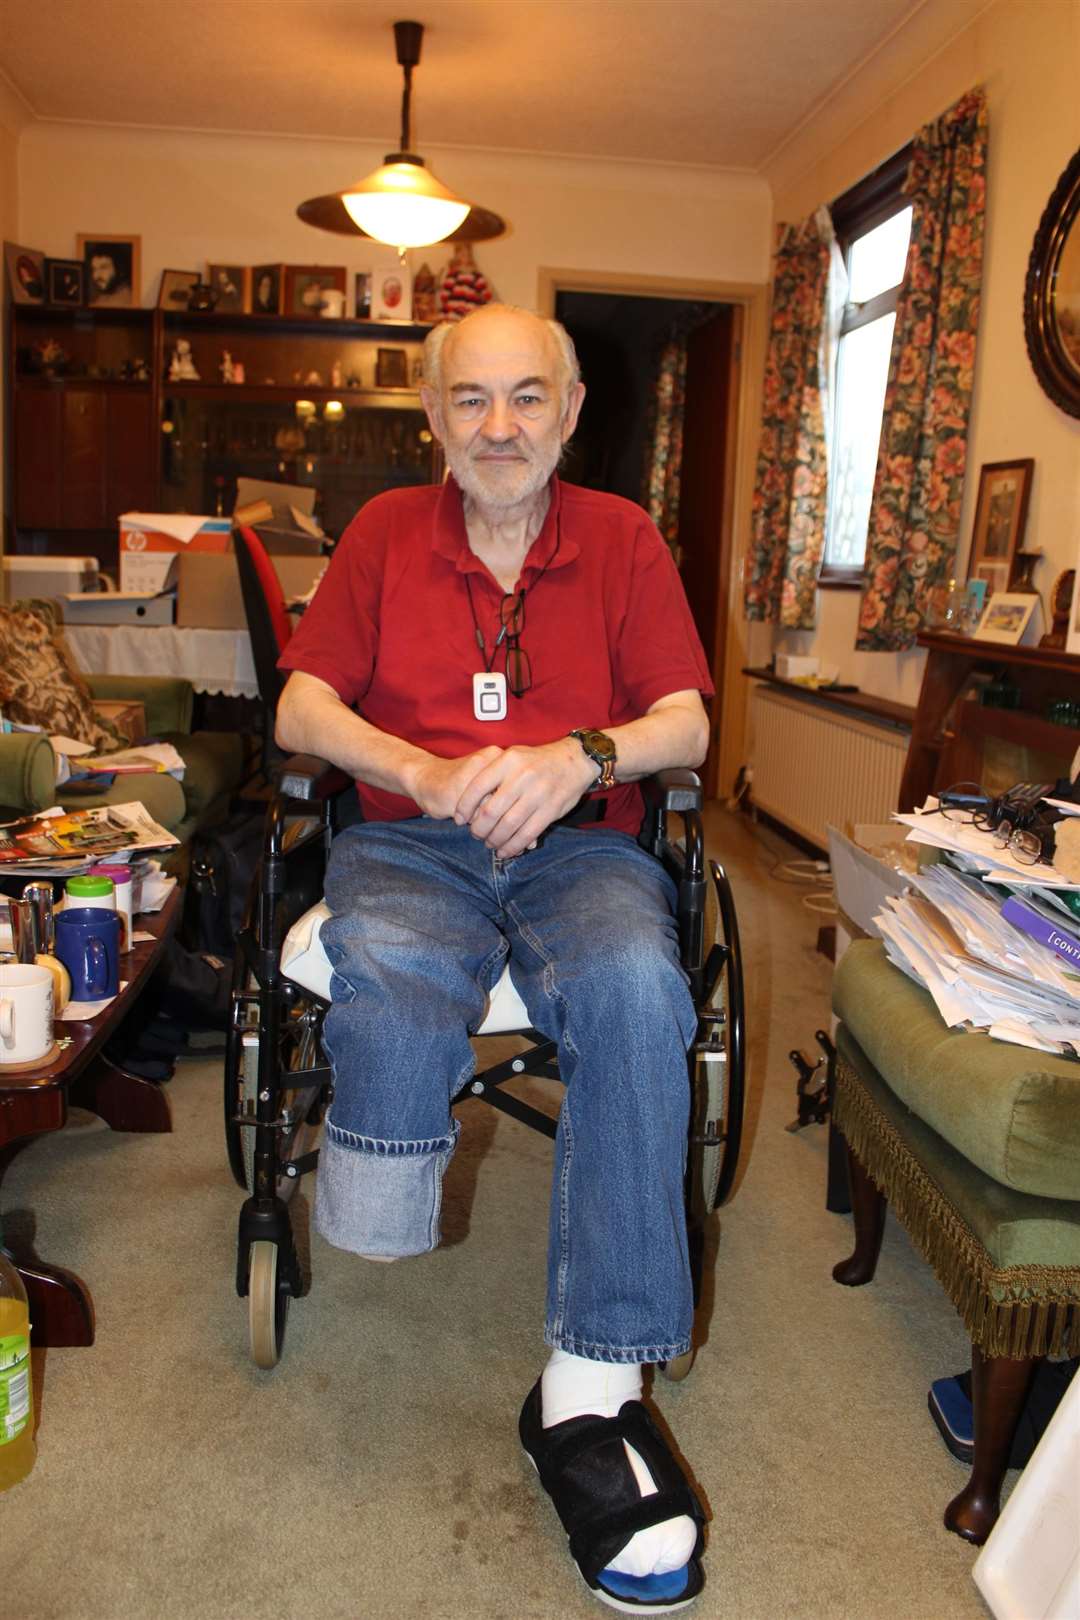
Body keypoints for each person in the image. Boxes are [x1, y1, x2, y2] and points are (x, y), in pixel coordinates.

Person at [276, 303, 713, 1613]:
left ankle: (590, 1395)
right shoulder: (380, 536)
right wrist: (417, 768)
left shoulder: (627, 541)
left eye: (530, 397)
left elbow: (686, 721)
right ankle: (385, 1207)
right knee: (400, 985)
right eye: (472, 400)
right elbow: (303, 702)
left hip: (583, 846)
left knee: (641, 989)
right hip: (415, 841)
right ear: (433, 418)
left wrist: (578, 756)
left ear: (572, 413)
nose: (502, 426)